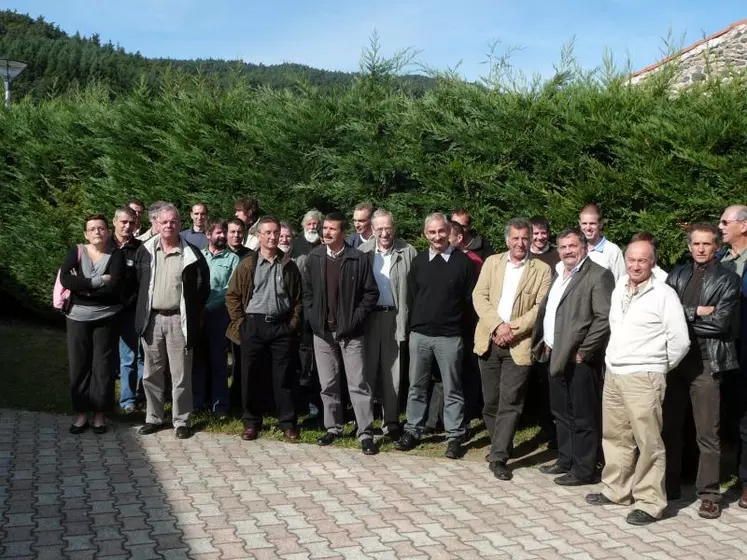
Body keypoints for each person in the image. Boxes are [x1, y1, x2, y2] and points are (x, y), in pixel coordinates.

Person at [586, 239, 690, 526]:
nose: (635, 265)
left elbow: (680, 341)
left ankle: (650, 501)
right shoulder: (620, 286)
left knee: (648, 441)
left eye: (642, 260)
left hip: (644, 377)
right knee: (616, 435)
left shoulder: (664, 294)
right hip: (615, 373)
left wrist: (656, 367)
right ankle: (617, 490)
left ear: (652, 263)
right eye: (631, 259)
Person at [663, 223, 740, 518]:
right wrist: (697, 311)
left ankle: (709, 494)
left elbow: (720, 324)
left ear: (716, 247)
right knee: (670, 427)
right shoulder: (677, 274)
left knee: (707, 432)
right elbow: (664, 315)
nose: (700, 249)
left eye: (706, 244)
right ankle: (670, 485)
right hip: (676, 361)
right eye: (696, 244)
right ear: (689, 246)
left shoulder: (728, 279)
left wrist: (683, 313)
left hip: (708, 362)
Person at [532, 228, 614, 485]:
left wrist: (584, 351)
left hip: (579, 360)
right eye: (563, 247)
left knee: (582, 416)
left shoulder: (599, 275)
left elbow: (603, 318)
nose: (568, 251)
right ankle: (566, 460)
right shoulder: (558, 273)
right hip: (554, 354)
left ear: (584, 247)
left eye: (572, 246)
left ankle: (584, 470)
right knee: (561, 412)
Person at [473, 218, 551, 480]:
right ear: (507, 240)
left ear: (530, 240)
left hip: (519, 345)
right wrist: (497, 326)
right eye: (515, 238)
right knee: (490, 402)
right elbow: (479, 297)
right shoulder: (492, 262)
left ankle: (499, 457)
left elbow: (539, 308)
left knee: (511, 402)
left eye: (524, 238)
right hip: (489, 340)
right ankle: (500, 445)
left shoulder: (541, 269)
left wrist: (511, 330)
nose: (520, 243)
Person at [395, 213, 477, 459]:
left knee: (453, 389)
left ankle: (454, 436)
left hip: (450, 337)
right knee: (416, 387)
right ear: (425, 234)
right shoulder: (419, 262)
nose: (437, 236)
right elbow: (413, 296)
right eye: (431, 232)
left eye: (441, 231)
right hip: (420, 335)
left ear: (449, 232)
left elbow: (468, 301)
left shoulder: (463, 263)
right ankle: (413, 429)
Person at [303, 212, 380, 455]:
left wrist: (354, 320)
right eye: (324, 228)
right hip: (323, 333)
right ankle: (333, 427)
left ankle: (365, 432)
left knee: (358, 383)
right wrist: (315, 319)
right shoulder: (313, 258)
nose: (326, 232)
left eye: (332, 229)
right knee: (328, 384)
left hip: (351, 333)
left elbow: (371, 294)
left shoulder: (358, 258)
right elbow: (307, 294)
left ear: (343, 232)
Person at [135, 204, 210, 439]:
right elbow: (134, 284)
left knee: (180, 374)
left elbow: (203, 287)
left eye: (173, 222)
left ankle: (181, 421)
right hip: (152, 319)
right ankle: (154, 418)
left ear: (180, 224)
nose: (169, 226)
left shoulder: (192, 254)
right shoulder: (145, 251)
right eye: (164, 221)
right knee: (151, 373)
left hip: (179, 320)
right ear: (156, 223)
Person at [226, 216, 304, 441]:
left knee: (284, 377)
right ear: (259, 236)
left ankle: (287, 423)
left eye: (275, 233)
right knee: (251, 377)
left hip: (281, 326)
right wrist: (241, 323)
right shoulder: (248, 264)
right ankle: (251, 422)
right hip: (254, 326)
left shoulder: (288, 265)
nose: (272, 237)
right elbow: (232, 296)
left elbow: (298, 298)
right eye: (267, 233)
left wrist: (292, 324)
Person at [60, 214, 125, 434]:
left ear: (107, 231)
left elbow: (115, 287)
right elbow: (66, 280)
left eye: (101, 228)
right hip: (77, 318)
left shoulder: (116, 254)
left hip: (107, 317)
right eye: (92, 228)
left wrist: (83, 289)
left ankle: (99, 415)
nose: (97, 231)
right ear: (86, 234)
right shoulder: (76, 251)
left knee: (103, 367)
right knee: (79, 366)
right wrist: (97, 282)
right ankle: (80, 415)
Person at [358, 210, 417, 440]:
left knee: (393, 373)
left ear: (394, 228)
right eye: (379, 228)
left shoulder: (407, 251)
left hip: (395, 317)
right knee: (367, 371)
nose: (384, 233)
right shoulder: (362, 253)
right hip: (369, 320)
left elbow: (415, 289)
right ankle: (365, 423)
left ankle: (391, 422)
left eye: (388, 227)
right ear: (372, 230)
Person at [193, 219, 239, 416]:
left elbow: (230, 289)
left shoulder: (233, 259)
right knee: (198, 361)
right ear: (208, 235)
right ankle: (197, 403)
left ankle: (220, 406)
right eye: (219, 233)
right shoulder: (198, 257)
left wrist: (209, 308)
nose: (222, 236)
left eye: (224, 233)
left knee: (218, 362)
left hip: (218, 316)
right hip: (197, 316)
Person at [718, 204, 747, 509]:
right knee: (728, 416)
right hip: (724, 352)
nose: (720, 226)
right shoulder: (720, 261)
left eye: (726, 222)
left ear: (744, 226)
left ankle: (746, 482)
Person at [290, 210, 324, 421]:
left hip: (319, 309)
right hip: (298, 310)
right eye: (309, 223)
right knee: (300, 357)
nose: (312, 226)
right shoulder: (296, 244)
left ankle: (317, 403)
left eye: (315, 224)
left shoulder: (326, 245)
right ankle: (301, 402)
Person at [111, 206, 144, 414]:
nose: (127, 226)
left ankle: (129, 400)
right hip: (104, 309)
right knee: (104, 357)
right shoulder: (105, 246)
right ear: (115, 222)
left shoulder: (140, 249)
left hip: (130, 310)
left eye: (131, 223)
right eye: (123, 222)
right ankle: (101, 399)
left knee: (130, 356)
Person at [578, 203, 626, 281]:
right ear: (580, 224)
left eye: (592, 223)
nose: (588, 228)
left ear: (601, 224)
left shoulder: (613, 251)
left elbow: (621, 282)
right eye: (584, 223)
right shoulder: (577, 249)